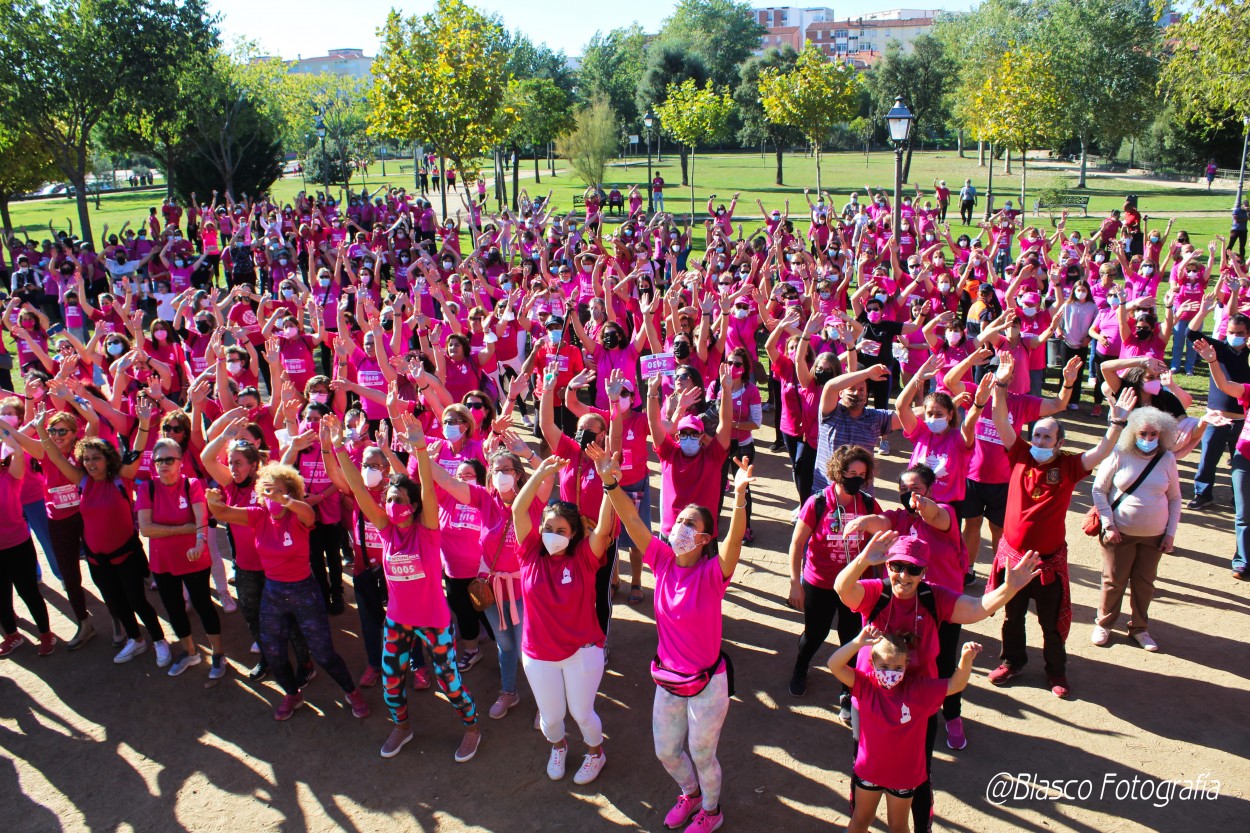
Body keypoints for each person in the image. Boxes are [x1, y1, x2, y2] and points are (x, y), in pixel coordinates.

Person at [834, 528, 1040, 833]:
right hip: (871, 700)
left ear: (924, 572)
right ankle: (862, 817)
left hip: (918, 702)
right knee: (865, 767)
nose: (903, 576)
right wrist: (865, 558)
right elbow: (842, 589)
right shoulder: (877, 592)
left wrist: (1008, 589)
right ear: (888, 565)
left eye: (912, 569)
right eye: (896, 566)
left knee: (916, 773)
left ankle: (919, 825)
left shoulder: (933, 598)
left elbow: (977, 608)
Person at [591, 444, 751, 833]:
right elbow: (631, 520)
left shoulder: (714, 573)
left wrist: (741, 498)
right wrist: (610, 482)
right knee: (666, 752)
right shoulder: (661, 560)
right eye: (679, 520)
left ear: (704, 538)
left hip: (707, 683)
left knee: (701, 752)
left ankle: (712, 811)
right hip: (668, 679)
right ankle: (690, 793)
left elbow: (732, 547)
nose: (680, 528)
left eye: (690, 525)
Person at [332, 411, 481, 762]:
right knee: (391, 680)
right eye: (389, 500)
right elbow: (357, 488)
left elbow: (429, 490)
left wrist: (421, 454)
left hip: (434, 621)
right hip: (398, 621)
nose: (392, 505)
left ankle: (472, 728)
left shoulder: (427, 531)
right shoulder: (385, 529)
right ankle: (402, 726)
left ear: (414, 507)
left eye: (400, 500)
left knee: (449, 681)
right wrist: (339, 448)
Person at [985, 364, 1136, 698]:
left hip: (1048, 562)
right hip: (1014, 561)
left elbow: (1102, 452)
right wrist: (1001, 384)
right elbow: (999, 419)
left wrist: (1117, 421)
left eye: (1046, 437)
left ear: (1059, 442)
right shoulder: (1020, 453)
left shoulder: (1069, 465)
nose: (1039, 440)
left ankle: (1056, 672)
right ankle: (1012, 661)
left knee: (1051, 626)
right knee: (1012, 617)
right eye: (1036, 434)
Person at [205, 463, 369, 721]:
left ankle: (351, 691)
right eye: (268, 490)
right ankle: (293, 694)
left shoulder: (298, 515)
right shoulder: (258, 515)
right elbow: (222, 512)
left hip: (304, 591)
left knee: (323, 652)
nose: (273, 496)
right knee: (273, 652)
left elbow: (308, 513)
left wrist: (287, 500)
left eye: (280, 491)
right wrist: (213, 500)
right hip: (273, 593)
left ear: (291, 492)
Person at [511, 454, 615, 787]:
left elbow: (603, 529)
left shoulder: (585, 557)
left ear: (573, 535)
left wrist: (609, 484)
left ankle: (596, 753)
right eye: (547, 528)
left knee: (582, 714)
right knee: (552, 719)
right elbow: (517, 511)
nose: (552, 534)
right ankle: (558, 747)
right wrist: (541, 473)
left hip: (582, 650)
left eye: (560, 530)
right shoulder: (528, 553)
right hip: (538, 654)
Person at [828, 619, 980, 833]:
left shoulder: (918, 689)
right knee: (860, 820)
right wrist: (857, 642)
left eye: (897, 667)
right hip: (870, 770)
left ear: (907, 665)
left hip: (904, 775)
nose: (891, 672)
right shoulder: (864, 684)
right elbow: (834, 664)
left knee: (898, 826)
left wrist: (966, 659)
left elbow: (956, 684)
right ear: (872, 664)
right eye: (884, 666)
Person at [786, 444, 881, 709]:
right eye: (852, 472)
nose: (857, 479)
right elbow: (797, 544)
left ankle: (847, 687)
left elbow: (885, 532)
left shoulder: (869, 504)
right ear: (839, 472)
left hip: (856, 586)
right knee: (815, 634)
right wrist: (795, 582)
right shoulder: (818, 502)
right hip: (819, 583)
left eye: (862, 474)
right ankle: (801, 667)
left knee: (851, 637)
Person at [1090, 407, 1181, 652]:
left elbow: (1174, 498)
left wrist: (1170, 533)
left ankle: (1140, 628)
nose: (1149, 439)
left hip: (1155, 536)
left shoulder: (1167, 459)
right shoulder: (1119, 453)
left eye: (1154, 434)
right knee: (1114, 581)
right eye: (1143, 433)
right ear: (1132, 433)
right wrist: (1109, 525)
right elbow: (1099, 489)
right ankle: (1104, 623)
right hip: (1119, 533)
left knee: (1145, 583)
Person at [137, 437, 224, 678]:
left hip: (194, 559)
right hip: (163, 561)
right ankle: (189, 652)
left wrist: (197, 539)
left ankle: (218, 654)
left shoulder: (192, 484)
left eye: (169, 459)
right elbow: (146, 529)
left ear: (180, 462)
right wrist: (184, 528)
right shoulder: (147, 488)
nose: (163, 464)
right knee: (174, 608)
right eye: (158, 460)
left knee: (203, 605)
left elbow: (201, 521)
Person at [1193, 337, 1250, 580]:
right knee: (1244, 514)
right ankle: (1243, 561)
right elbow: (1226, 386)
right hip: (1245, 458)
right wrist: (1213, 361)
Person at [0, 417, 55, 658]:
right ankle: (12, 635)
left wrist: (5, 433)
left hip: (17, 544)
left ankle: (45, 633)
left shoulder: (9, 476)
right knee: (0, 595)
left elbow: (19, 456)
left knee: (28, 591)